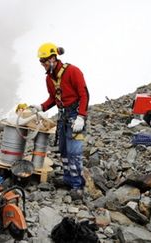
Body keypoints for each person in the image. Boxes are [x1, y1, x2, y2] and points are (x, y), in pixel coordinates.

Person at [31, 42, 89, 200]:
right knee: (63, 150)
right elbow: (53, 98)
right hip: (63, 116)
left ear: (52, 58)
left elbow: (84, 94)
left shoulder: (73, 71)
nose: (42, 64)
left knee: (74, 152)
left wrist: (81, 117)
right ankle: (68, 179)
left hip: (75, 115)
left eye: (43, 61)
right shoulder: (49, 79)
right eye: (40, 61)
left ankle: (78, 185)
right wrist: (41, 107)